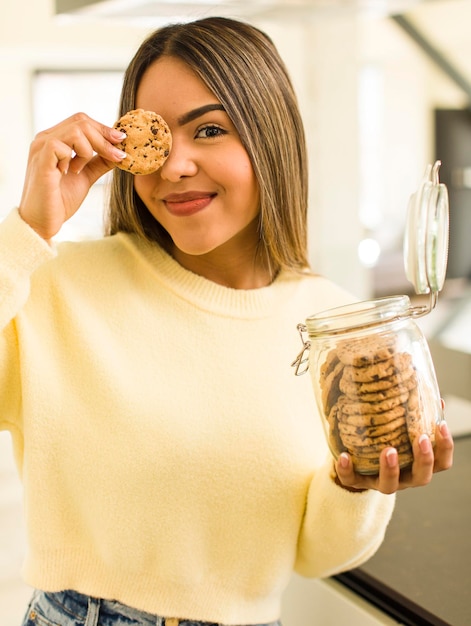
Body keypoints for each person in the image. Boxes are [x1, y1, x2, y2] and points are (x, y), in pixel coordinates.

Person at [0, 16, 453, 626]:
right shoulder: (56, 284)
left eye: (209, 130)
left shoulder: (336, 327)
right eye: (158, 138)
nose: (173, 167)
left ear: (269, 140)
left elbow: (316, 555)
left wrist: (362, 484)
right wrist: (28, 230)